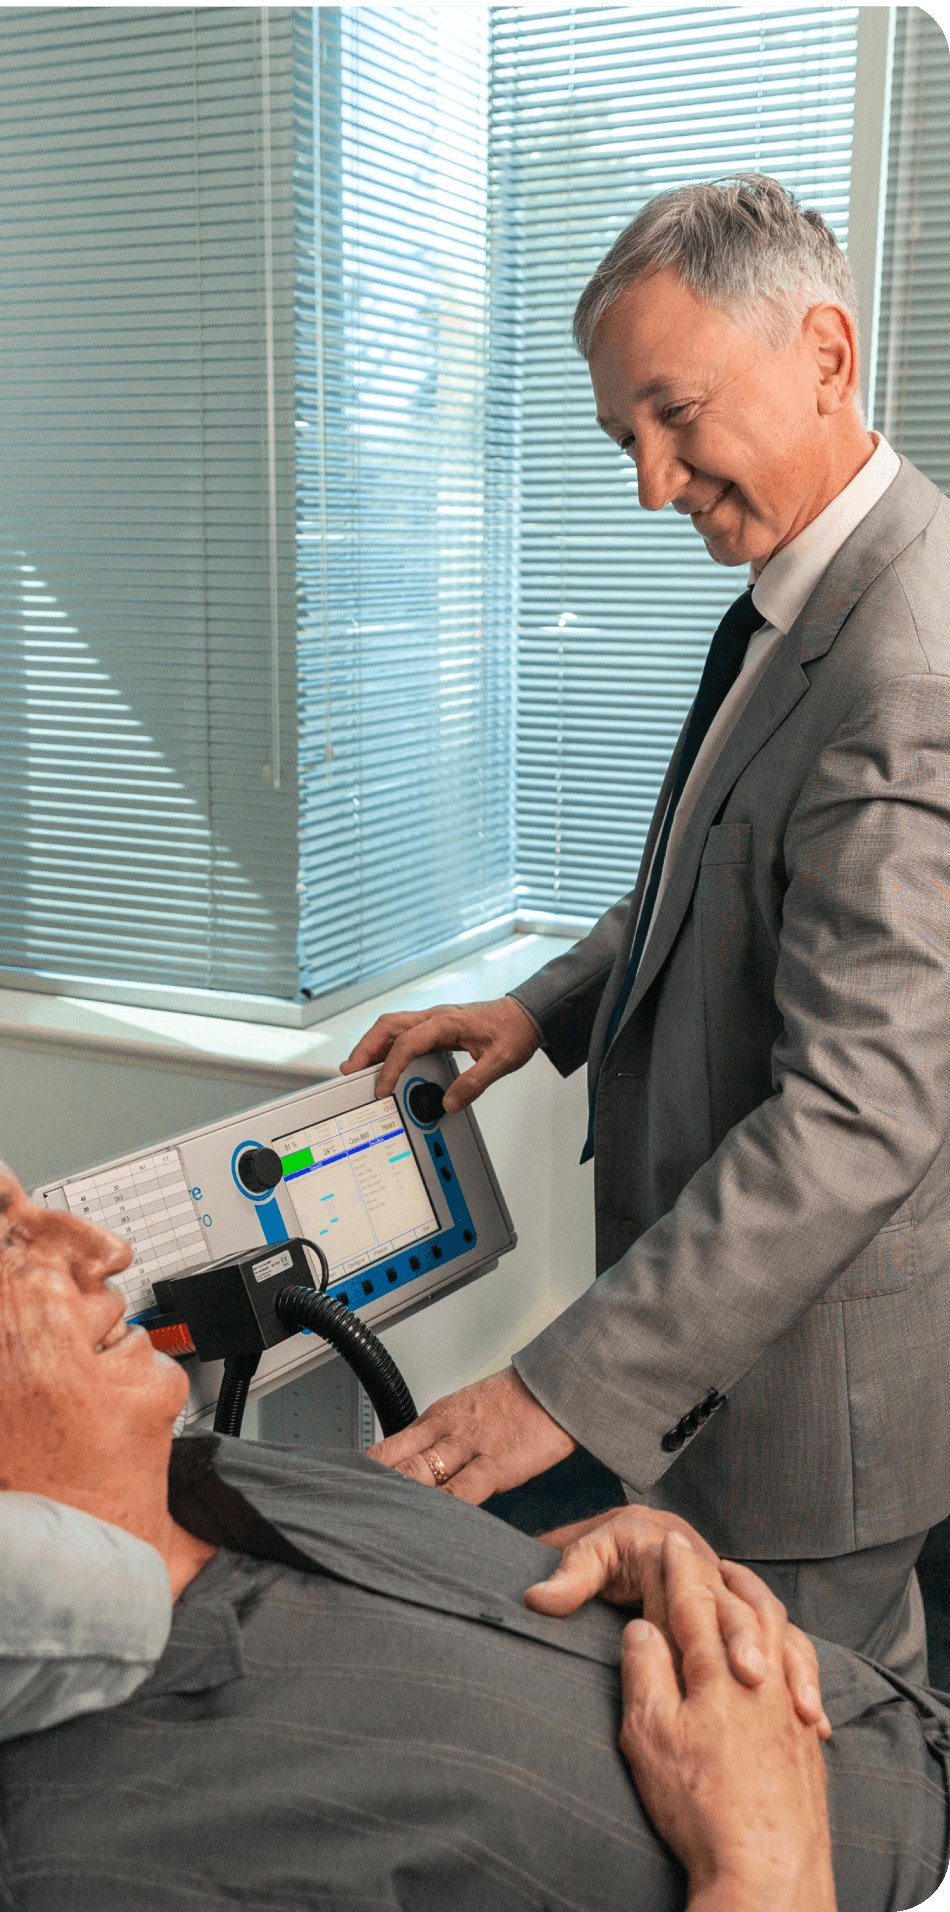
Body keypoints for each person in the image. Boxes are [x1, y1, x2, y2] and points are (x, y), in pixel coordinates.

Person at [0, 1137, 948, 1910]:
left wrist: (630, 1548)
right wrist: (769, 1870)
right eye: (10, 1242)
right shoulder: (64, 1865)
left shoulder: (217, 1473)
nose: (101, 1249)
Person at [343, 174, 950, 1680]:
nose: (648, 485)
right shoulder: (795, 592)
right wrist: (539, 1010)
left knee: (821, 1780)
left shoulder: (903, 667)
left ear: (825, 352)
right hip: (726, 1369)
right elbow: (713, 875)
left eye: (674, 417)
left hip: (813, 1411)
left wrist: (555, 1386)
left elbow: (858, 1111)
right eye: (626, 437)